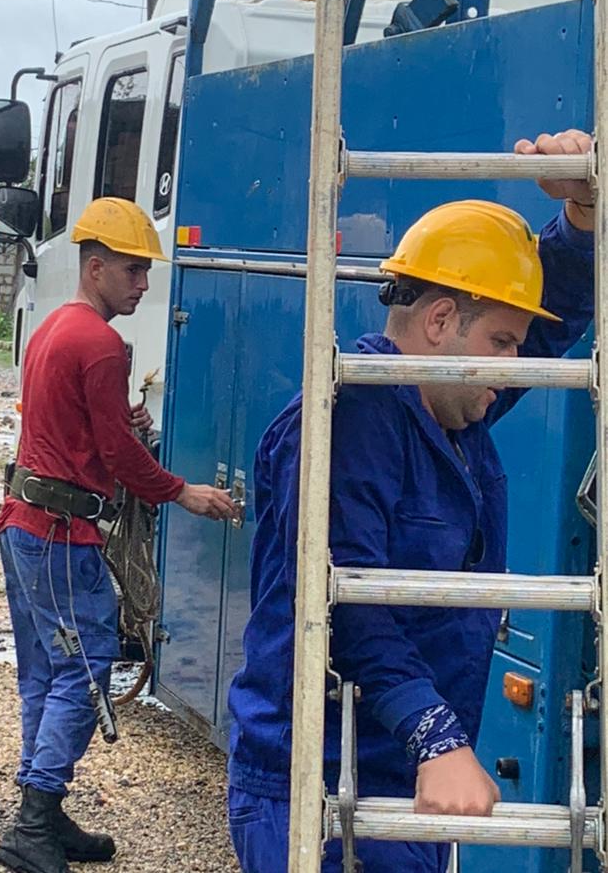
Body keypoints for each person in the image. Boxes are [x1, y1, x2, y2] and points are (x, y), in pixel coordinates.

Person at [227, 130, 595, 873]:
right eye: (501, 342)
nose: (516, 365)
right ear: (438, 323)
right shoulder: (347, 419)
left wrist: (583, 214)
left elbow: (535, 306)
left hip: (394, 782)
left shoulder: (452, 409)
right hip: (323, 783)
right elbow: (344, 599)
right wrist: (437, 736)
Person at [0, 196, 236, 873]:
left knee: (46, 671)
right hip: (59, 533)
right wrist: (182, 491)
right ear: (94, 266)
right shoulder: (99, 342)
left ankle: (41, 813)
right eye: (133, 271)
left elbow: (74, 428)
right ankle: (34, 820)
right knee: (86, 665)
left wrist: (111, 422)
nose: (144, 285)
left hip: (25, 524)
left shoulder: (55, 327)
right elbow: (120, 457)